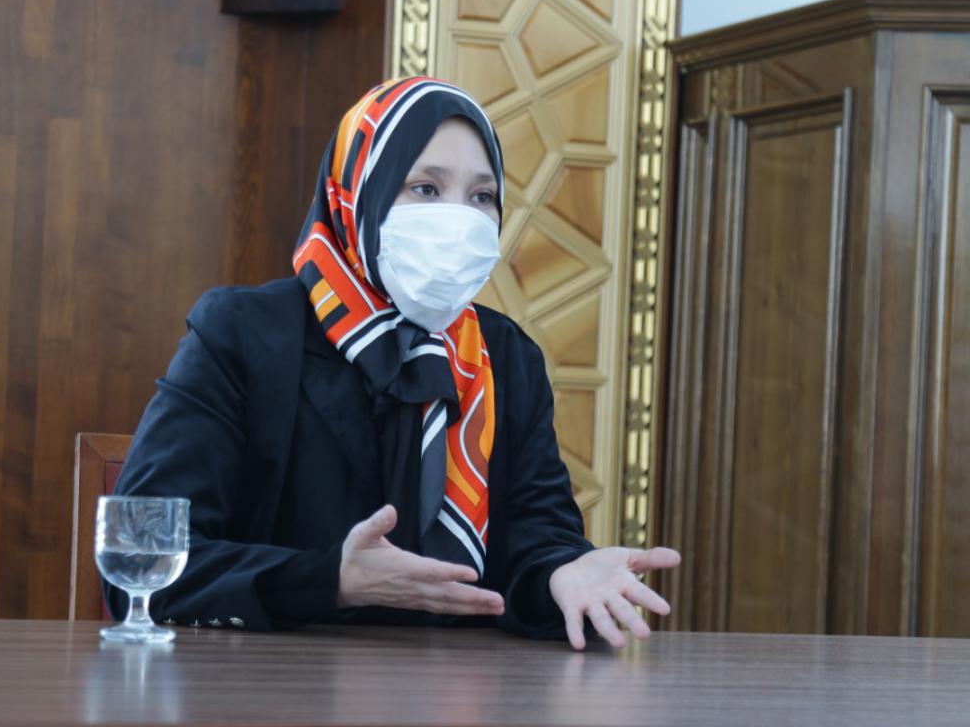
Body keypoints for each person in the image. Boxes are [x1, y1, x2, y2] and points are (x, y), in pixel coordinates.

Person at [108, 76, 680, 650]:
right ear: (358, 193)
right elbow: (141, 563)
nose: (458, 219)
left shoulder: (506, 355)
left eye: (481, 197)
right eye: (426, 188)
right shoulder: (243, 334)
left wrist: (564, 571)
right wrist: (330, 581)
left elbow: (535, 538)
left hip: (466, 685)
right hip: (271, 682)